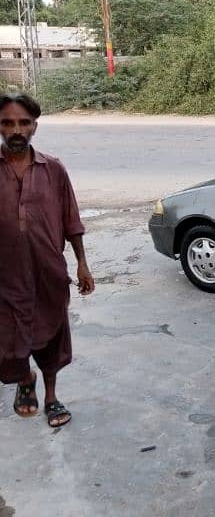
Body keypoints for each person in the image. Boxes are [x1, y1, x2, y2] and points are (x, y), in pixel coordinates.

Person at [0, 92, 95, 427]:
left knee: (51, 335)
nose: (16, 130)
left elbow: (71, 219)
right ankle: (26, 380)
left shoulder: (53, 169)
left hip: (48, 273)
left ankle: (52, 396)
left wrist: (82, 263)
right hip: (6, 277)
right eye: (8, 123)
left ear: (34, 127)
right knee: (8, 341)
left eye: (23, 123)